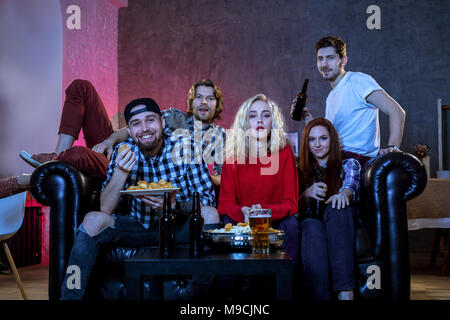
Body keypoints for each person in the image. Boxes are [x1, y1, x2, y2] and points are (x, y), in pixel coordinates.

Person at [60, 97, 219, 300]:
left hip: (177, 227)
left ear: (162, 122)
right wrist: (121, 171)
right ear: (130, 130)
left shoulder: (186, 146)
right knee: (92, 220)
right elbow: (105, 209)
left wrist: (175, 205)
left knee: (211, 215)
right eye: (136, 123)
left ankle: (199, 300)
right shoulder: (122, 151)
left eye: (150, 120)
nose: (144, 128)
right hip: (137, 226)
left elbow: (207, 199)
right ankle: (69, 296)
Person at [0, 78, 225, 199]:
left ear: (217, 104)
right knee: (81, 87)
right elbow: (130, 130)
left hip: (131, 171)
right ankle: (56, 155)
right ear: (191, 101)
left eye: (210, 99)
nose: (204, 103)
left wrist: (198, 171)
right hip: (118, 152)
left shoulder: (220, 138)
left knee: (78, 155)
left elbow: (221, 181)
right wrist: (109, 141)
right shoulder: (172, 116)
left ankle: (22, 180)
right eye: (199, 97)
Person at [292, 36, 406, 168]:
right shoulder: (331, 97)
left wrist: (392, 150)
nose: (324, 64)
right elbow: (330, 138)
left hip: (359, 163)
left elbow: (397, 112)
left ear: (343, 60)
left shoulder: (358, 81)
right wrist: (307, 118)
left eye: (330, 58)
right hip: (336, 161)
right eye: (320, 58)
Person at [218, 93, 299, 267]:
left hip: (275, 219)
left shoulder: (284, 152)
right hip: (242, 219)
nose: (259, 121)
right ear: (244, 123)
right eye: (252, 116)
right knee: (226, 223)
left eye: (266, 115)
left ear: (273, 122)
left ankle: (287, 285)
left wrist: (262, 212)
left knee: (291, 227)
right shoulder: (232, 156)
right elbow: (225, 203)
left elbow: (291, 203)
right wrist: (245, 213)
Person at [297, 118, 361, 300]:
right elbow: (292, 208)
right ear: (306, 143)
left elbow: (351, 185)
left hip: (339, 220)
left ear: (332, 140)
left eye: (323, 138)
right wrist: (306, 194)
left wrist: (344, 195)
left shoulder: (348, 163)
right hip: (312, 221)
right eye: (312, 140)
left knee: (337, 208)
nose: (317, 144)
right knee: (310, 226)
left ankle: (345, 292)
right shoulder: (300, 169)